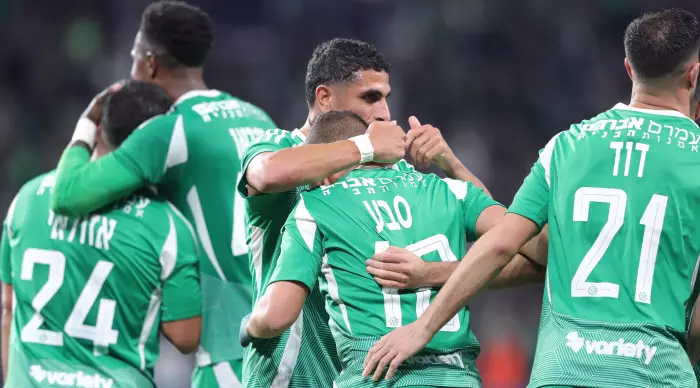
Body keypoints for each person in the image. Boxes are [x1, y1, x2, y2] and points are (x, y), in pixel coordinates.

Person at [363, 8, 700, 388]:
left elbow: (502, 245)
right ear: (694, 74)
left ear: (627, 69)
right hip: (654, 372)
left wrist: (421, 328)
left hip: (564, 372)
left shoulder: (566, 146)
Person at [237, 38, 488, 387]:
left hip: (369, 370)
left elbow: (505, 243)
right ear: (325, 98)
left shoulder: (389, 170)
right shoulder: (279, 148)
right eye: (370, 97)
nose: (385, 112)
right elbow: (268, 174)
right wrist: (365, 145)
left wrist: (451, 164)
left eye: (386, 96)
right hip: (290, 372)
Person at [49, 2, 276, 386]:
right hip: (284, 333)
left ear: (149, 64)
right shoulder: (258, 117)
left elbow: (67, 195)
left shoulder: (167, 130)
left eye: (134, 57)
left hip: (228, 350)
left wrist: (88, 122)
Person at [241, 111, 545, 388]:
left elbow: (278, 316)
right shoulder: (452, 190)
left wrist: (250, 327)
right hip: (456, 376)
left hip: (374, 375)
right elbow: (533, 248)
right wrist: (451, 165)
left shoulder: (315, 205)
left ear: (325, 171)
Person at [1, 80, 202, 388]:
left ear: (97, 130)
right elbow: (184, 336)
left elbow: (8, 308)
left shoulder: (27, 199)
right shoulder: (168, 227)